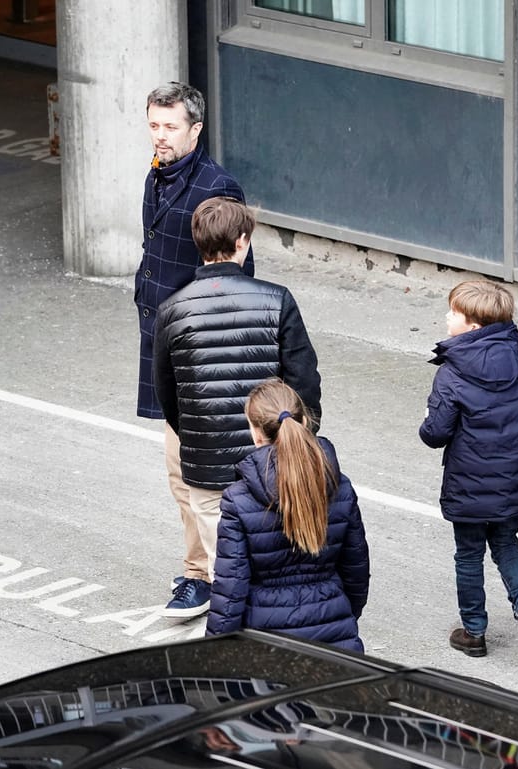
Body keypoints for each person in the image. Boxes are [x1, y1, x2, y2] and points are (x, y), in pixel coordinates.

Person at [154, 197, 320, 617]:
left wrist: (194, 434)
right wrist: (299, 435)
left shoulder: (172, 310)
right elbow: (304, 380)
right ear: (242, 241)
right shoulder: (277, 299)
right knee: (280, 558)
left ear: (198, 242)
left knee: (225, 567)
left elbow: (167, 395)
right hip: (272, 459)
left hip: (206, 466)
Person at [136, 82, 251, 615]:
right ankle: (201, 573)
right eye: (154, 125)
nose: (159, 136)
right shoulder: (158, 174)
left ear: (195, 130)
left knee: (201, 477)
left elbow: (234, 275)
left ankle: (209, 577)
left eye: (170, 127)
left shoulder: (217, 186)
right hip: (162, 343)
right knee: (178, 473)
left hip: (200, 351)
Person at [419, 280, 518, 659]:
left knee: (469, 554)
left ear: (472, 326)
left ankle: (474, 632)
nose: (447, 316)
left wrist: (427, 418)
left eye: (453, 313)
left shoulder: (453, 374)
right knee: (507, 546)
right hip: (513, 479)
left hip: (469, 485)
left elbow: (435, 433)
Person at [207, 379, 369, 651]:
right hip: (335, 633)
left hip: (266, 641)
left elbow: (231, 589)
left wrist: (214, 652)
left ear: (256, 434)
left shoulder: (238, 500)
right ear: (305, 421)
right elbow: (356, 570)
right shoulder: (339, 485)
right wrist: (343, 616)